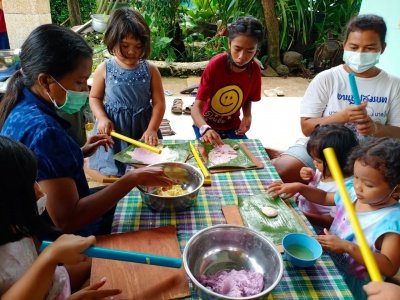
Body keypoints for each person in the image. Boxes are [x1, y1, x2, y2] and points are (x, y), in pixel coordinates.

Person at [0, 24, 173, 235]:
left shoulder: (21, 103)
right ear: (45, 80)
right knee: (150, 223)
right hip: (64, 238)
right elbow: (67, 220)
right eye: (80, 82)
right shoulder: (44, 131)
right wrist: (132, 178)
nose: (85, 90)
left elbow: (43, 168)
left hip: (54, 215)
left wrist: (77, 152)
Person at [272, 14, 400, 183]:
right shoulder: (327, 78)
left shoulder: (393, 84)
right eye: (353, 47)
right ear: (345, 45)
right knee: (280, 172)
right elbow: (306, 127)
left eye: (370, 48)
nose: (360, 54)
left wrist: (374, 128)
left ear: (382, 48)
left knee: (373, 192)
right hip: (321, 151)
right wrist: (341, 117)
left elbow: (397, 133)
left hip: (371, 157)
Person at [272, 137, 400, 299]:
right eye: (356, 177)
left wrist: (348, 247)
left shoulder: (392, 222)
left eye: (369, 185)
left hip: (355, 286)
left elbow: (389, 267)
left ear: (397, 190)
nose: (358, 186)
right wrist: (301, 188)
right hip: (329, 264)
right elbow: (325, 197)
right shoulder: (354, 192)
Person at [0, 136, 121, 299]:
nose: (40, 191)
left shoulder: (17, 226)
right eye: (29, 185)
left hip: (55, 287)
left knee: (109, 258)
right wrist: (50, 257)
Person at [89, 8, 166, 176]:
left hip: (143, 127)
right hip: (115, 129)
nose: (132, 52)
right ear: (111, 40)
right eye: (125, 46)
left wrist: (152, 129)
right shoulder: (104, 69)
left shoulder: (151, 70)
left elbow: (159, 103)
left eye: (138, 46)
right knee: (115, 171)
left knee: (144, 167)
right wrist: (101, 118)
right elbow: (94, 97)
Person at [267, 124, 358, 231]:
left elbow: (330, 221)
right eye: (313, 158)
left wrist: (300, 215)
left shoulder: (345, 188)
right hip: (302, 208)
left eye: (318, 161)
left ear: (340, 162)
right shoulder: (326, 171)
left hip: (314, 227)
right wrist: (311, 176)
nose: (314, 163)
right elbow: (320, 188)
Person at [191, 16, 264, 146]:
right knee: (209, 158)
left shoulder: (254, 71)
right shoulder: (216, 65)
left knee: (247, 157)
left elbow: (247, 97)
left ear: (256, 50)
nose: (242, 56)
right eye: (237, 49)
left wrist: (247, 115)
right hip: (204, 124)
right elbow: (196, 108)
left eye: (250, 51)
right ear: (229, 44)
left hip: (232, 126)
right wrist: (205, 128)